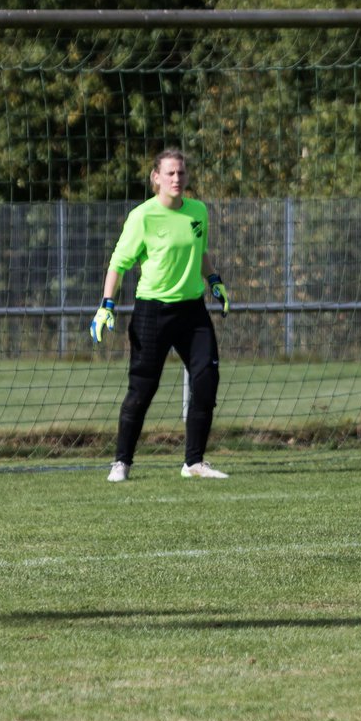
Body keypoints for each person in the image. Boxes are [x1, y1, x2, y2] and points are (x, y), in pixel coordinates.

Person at [90, 148, 230, 482]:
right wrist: (105, 305)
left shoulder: (198, 211)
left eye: (181, 173)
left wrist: (214, 281)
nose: (177, 179)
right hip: (153, 312)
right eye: (170, 173)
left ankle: (193, 463)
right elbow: (118, 263)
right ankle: (121, 462)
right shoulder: (143, 216)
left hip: (192, 312)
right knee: (142, 389)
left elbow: (200, 252)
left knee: (206, 381)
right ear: (156, 178)